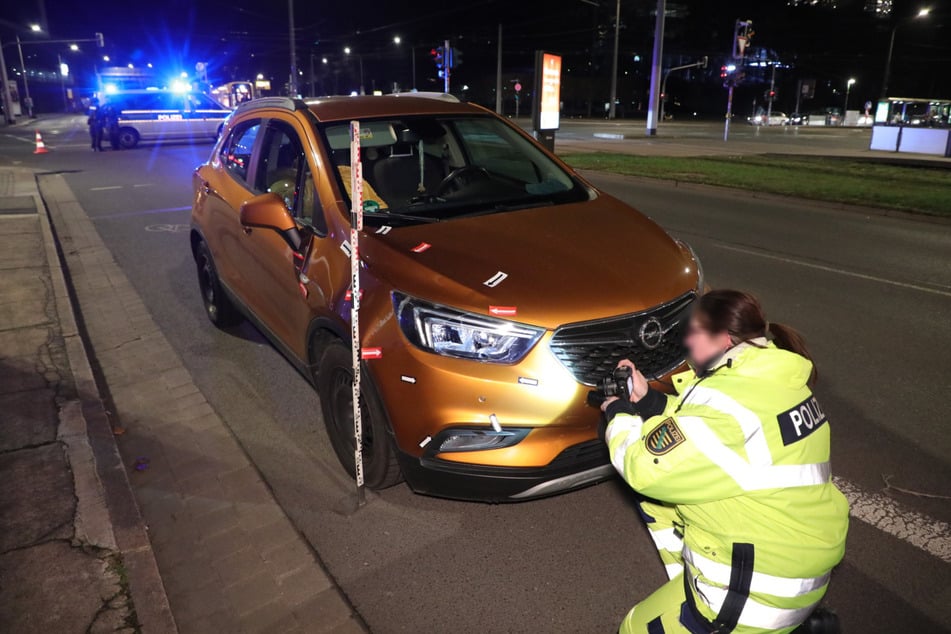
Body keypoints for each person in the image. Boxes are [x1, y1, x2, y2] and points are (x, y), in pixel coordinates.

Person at [601, 289, 849, 634]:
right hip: (796, 559)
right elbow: (709, 428)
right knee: (663, 505)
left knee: (635, 628)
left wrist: (619, 412)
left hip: (761, 589)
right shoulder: (772, 377)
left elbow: (643, 467)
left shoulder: (729, 402)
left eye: (693, 335)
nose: (687, 344)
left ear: (723, 339)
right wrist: (649, 401)